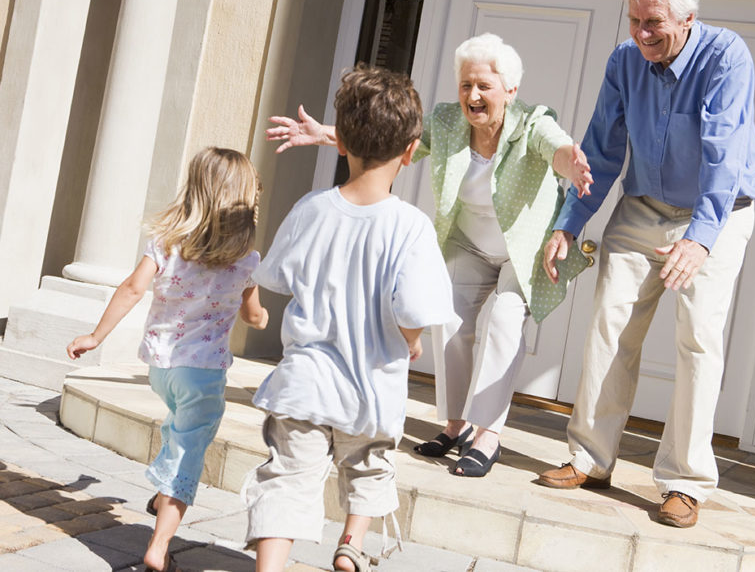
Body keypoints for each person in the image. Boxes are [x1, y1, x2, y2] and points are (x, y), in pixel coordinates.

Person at [266, 33, 592, 478]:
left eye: (483, 87)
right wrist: (328, 134)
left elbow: (555, 147)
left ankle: (488, 433)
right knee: (452, 321)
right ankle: (456, 424)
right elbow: (392, 140)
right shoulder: (445, 121)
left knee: (503, 321)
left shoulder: (533, 123)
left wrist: (569, 163)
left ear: (510, 91)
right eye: (465, 86)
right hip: (469, 242)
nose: (472, 96)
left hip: (522, 249)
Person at [538, 0, 755, 529]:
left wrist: (702, 238)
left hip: (719, 210)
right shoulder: (624, 61)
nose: (641, 33)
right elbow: (602, 147)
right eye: (635, 20)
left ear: (689, 18)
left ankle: (685, 481)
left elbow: (723, 152)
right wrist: (571, 222)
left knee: (697, 339)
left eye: (654, 22)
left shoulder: (726, 55)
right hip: (642, 208)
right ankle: (590, 458)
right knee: (610, 326)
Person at [242, 65, 457, 572]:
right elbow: (413, 310)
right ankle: (350, 545)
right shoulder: (412, 227)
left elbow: (276, 278)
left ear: (340, 143)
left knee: (288, 478)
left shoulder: (311, 209)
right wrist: (413, 339)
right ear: (411, 151)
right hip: (372, 386)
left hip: (305, 383)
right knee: (369, 467)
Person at [66, 147, 269, 572]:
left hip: (160, 368)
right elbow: (254, 317)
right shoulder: (246, 261)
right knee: (189, 455)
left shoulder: (165, 244)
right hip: (205, 374)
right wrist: (263, 315)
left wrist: (95, 335)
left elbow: (130, 289)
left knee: (178, 431)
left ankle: (160, 495)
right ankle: (159, 547)